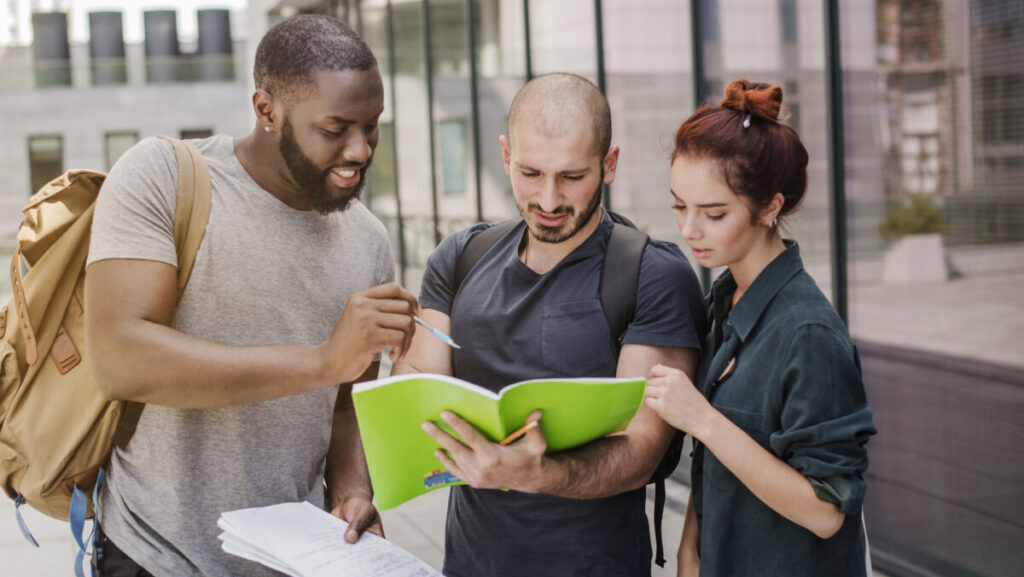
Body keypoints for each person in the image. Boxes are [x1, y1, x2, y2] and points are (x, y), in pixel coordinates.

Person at [83, 15, 418, 577]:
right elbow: (118, 358)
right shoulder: (163, 176)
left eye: (372, 125)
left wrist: (354, 491)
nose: (360, 149)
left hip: (296, 561)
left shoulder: (368, 240)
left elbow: (345, 407)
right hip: (157, 555)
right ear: (267, 110)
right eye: (336, 128)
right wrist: (320, 361)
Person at [392, 73, 706, 577]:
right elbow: (418, 396)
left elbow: (642, 449)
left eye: (572, 176)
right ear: (504, 155)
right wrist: (398, 373)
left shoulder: (653, 276)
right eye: (530, 173)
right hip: (469, 564)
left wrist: (540, 474)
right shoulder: (459, 258)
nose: (550, 199)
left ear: (610, 165)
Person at [644, 79, 877, 576]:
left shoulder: (807, 333)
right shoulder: (724, 300)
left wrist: (701, 418)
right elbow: (715, 460)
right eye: (679, 206)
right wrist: (690, 549)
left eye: (714, 213)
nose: (690, 229)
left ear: (771, 207)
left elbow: (826, 511)